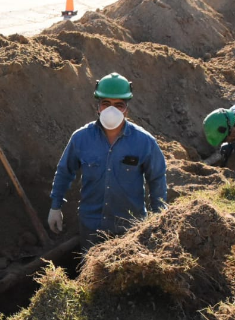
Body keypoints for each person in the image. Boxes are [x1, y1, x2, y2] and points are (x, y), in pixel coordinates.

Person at [48, 73, 167, 250]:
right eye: (106, 104)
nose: (112, 110)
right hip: (91, 227)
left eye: (119, 105)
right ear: (98, 106)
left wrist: (160, 219)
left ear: (127, 109)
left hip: (130, 229)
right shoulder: (81, 138)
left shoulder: (144, 142)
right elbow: (65, 172)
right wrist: (55, 207)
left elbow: (157, 179)